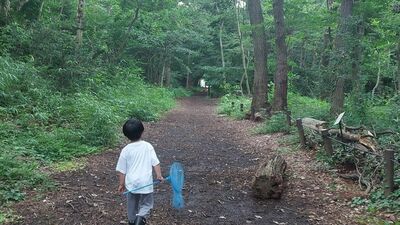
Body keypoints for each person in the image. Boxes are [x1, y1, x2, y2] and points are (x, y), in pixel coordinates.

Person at [116, 118, 163, 225]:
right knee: (147, 204)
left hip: (132, 183)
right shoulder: (148, 146)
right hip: (145, 182)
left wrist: (121, 184)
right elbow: (155, 162)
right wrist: (159, 175)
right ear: (142, 131)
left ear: (126, 135)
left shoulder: (126, 150)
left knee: (132, 205)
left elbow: (122, 171)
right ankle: (140, 218)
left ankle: (133, 221)